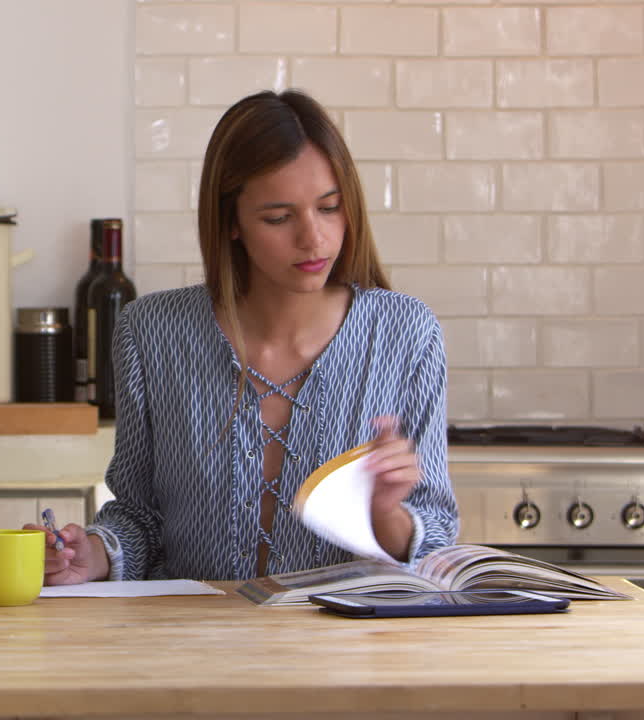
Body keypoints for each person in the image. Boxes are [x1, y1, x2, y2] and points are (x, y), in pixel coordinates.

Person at [32, 89, 458, 584]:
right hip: (190, 646)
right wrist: (96, 553)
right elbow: (140, 518)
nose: (313, 238)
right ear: (231, 221)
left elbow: (436, 540)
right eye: (278, 217)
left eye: (329, 208)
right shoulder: (151, 333)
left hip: (345, 653)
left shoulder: (406, 333)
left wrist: (384, 511)